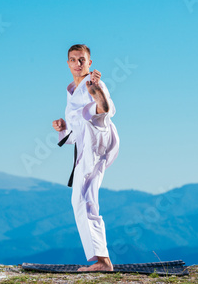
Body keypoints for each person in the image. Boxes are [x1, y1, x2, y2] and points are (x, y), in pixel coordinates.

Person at [52, 44, 119, 272]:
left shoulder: (93, 83)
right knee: (85, 198)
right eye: (73, 59)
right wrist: (62, 127)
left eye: (82, 60)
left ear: (90, 63)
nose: (78, 64)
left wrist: (96, 91)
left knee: (81, 198)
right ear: (68, 63)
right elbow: (75, 128)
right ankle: (102, 259)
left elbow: (106, 110)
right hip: (88, 143)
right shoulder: (72, 89)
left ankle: (102, 261)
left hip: (97, 140)